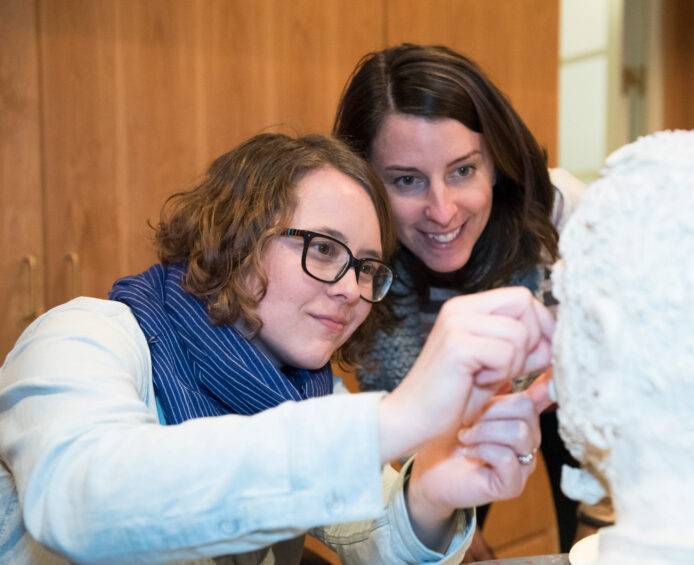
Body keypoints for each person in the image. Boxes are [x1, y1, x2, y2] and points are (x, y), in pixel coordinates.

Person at [0, 133, 555, 564]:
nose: (348, 288)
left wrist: (432, 489)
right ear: (234, 238)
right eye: (322, 247)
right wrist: (398, 418)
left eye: (365, 266)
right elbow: (83, 503)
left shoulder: (308, 388)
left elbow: (370, 538)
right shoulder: (82, 337)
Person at [333, 43, 587, 558]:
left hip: (576, 396)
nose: (442, 210)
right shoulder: (351, 264)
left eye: (462, 171)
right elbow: (393, 427)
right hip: (450, 417)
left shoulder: (563, 215)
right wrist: (442, 523)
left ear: (495, 162)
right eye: (407, 180)